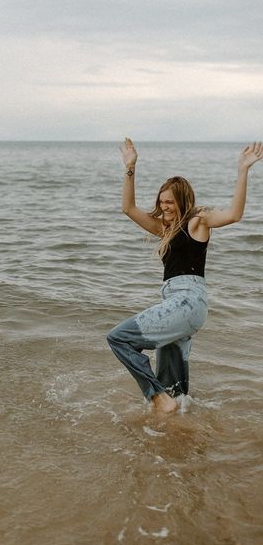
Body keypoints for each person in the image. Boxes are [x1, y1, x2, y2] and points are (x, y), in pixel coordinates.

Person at [107, 138, 263, 414]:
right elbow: (128, 209)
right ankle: (179, 432)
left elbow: (234, 215)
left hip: (186, 302)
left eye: (169, 202)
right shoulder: (164, 230)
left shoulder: (196, 222)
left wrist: (243, 170)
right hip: (179, 305)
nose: (163, 206)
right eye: (161, 202)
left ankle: (155, 396)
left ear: (181, 200)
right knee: (174, 390)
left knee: (119, 338)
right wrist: (130, 167)